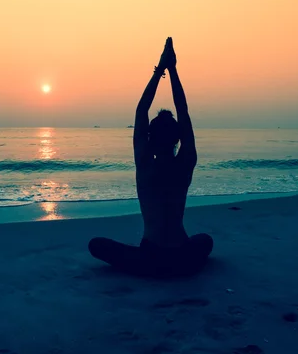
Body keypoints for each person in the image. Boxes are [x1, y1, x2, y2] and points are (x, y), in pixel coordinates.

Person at [88, 37, 213, 278]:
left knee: (96, 245)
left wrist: (160, 70)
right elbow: (183, 111)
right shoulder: (185, 163)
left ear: (150, 139)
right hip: (182, 257)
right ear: (177, 139)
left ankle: (151, 270)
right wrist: (173, 70)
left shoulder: (146, 165)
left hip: (150, 259)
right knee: (205, 241)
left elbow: (141, 110)